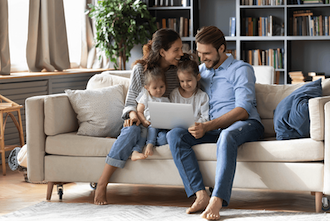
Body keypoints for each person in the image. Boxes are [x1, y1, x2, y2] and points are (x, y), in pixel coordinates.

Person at [167, 26, 264, 220]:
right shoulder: (201, 71)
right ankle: (200, 194)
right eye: (199, 53)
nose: (202, 58)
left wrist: (208, 126)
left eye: (207, 53)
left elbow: (243, 110)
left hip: (246, 125)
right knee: (175, 135)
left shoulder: (241, 69)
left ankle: (217, 199)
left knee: (227, 135)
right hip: (213, 128)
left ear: (221, 48)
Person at [94, 28, 183, 205]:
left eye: (181, 49)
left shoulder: (178, 71)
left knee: (167, 137)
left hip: (163, 124)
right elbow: (130, 102)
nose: (181, 53)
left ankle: (130, 143)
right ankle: (102, 184)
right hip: (141, 119)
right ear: (162, 52)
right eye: (176, 50)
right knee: (131, 131)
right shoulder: (140, 69)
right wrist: (133, 114)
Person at [135, 67, 170, 158]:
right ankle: (149, 145)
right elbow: (139, 111)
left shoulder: (166, 100)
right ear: (147, 88)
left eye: (161, 87)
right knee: (152, 128)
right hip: (150, 124)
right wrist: (144, 121)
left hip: (162, 127)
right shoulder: (146, 97)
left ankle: (154, 140)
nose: (159, 90)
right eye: (155, 88)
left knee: (164, 139)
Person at [170, 53, 209, 124]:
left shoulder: (202, 97)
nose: (185, 84)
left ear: (198, 77)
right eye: (182, 81)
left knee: (172, 133)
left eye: (189, 80)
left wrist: (192, 124)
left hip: (194, 129)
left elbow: (205, 118)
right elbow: (171, 115)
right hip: (177, 126)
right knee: (162, 134)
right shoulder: (175, 94)